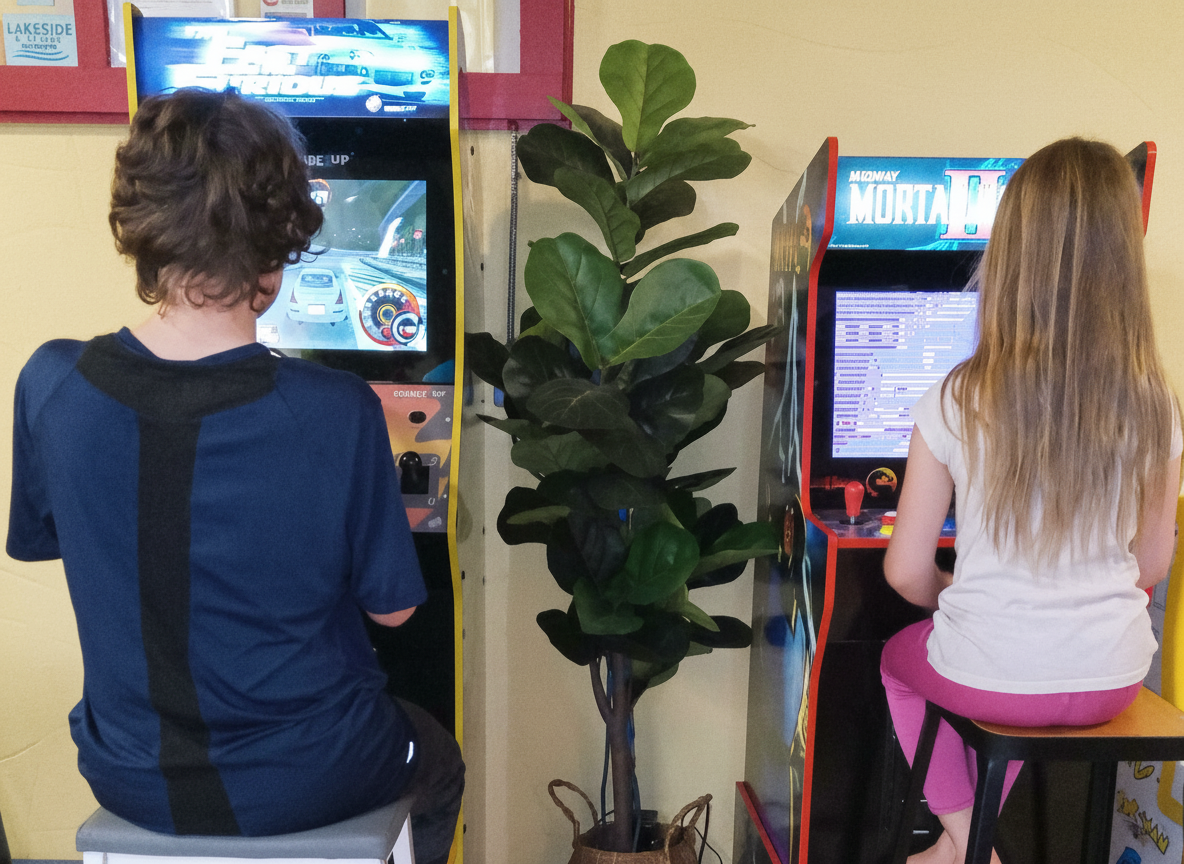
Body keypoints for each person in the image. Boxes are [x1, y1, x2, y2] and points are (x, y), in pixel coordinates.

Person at [5, 88, 462, 864]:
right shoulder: (338, 409)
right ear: (280, 247)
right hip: (315, 770)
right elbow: (393, 616)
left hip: (128, 771)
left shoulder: (50, 381)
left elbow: (53, 539)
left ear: (141, 230)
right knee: (439, 759)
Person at [880, 137, 1182, 864]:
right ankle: (967, 838)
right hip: (1115, 679)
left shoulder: (958, 395)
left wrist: (962, 590)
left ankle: (962, 840)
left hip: (999, 678)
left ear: (1009, 255)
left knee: (903, 662)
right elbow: (1152, 560)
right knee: (1017, 674)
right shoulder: (1154, 404)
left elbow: (904, 572)